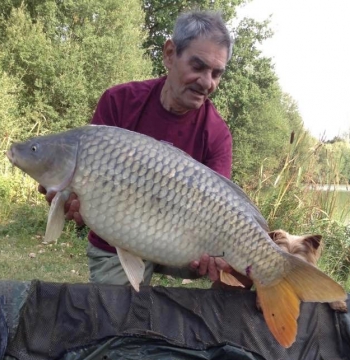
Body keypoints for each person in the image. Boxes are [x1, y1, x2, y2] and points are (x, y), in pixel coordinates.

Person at [40, 10, 252, 289]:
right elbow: (77, 198)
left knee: (241, 273)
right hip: (116, 240)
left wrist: (219, 255)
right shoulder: (119, 102)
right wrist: (69, 201)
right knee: (120, 322)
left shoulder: (217, 134)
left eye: (216, 73)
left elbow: (220, 210)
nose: (207, 82)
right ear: (169, 54)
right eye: (198, 67)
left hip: (183, 245)